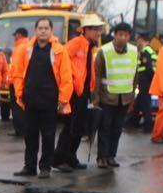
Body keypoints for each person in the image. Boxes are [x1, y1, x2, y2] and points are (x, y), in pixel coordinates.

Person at [10, 17, 72, 178]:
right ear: (35, 30)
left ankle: (45, 167)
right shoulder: (26, 50)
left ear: (51, 31)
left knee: (48, 135)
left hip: (50, 100)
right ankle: (29, 167)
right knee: (30, 135)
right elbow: (17, 73)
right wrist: (19, 93)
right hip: (30, 99)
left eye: (46, 28)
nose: (43, 31)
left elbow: (66, 77)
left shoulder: (59, 50)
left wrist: (63, 99)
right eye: (40, 28)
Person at [54, 18, 103, 170]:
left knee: (79, 127)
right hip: (75, 92)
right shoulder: (76, 43)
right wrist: (74, 78)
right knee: (70, 126)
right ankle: (58, 159)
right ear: (86, 30)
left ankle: (71, 157)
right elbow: (63, 58)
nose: (98, 33)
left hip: (84, 91)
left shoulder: (90, 47)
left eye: (99, 29)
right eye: (95, 29)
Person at [93, 22, 138, 169]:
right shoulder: (104, 51)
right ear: (115, 35)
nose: (123, 38)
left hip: (124, 98)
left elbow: (135, 74)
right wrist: (96, 98)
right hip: (107, 97)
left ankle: (111, 156)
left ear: (129, 36)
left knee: (117, 129)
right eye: (120, 34)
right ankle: (102, 157)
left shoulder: (134, 50)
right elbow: (97, 76)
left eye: (126, 35)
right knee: (105, 128)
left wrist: (133, 96)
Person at [126, 35, 156, 131]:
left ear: (143, 40)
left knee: (145, 103)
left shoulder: (145, 51)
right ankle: (131, 122)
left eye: (138, 40)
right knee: (139, 102)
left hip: (145, 80)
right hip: (146, 80)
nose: (137, 42)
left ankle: (148, 125)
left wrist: (148, 80)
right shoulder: (150, 50)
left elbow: (148, 68)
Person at [7, 27, 31, 137]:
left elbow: (16, 67)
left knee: (17, 107)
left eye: (15, 35)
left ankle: (20, 130)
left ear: (20, 35)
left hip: (17, 81)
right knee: (23, 107)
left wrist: (11, 80)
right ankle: (24, 129)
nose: (14, 37)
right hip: (25, 81)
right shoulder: (29, 45)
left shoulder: (20, 47)